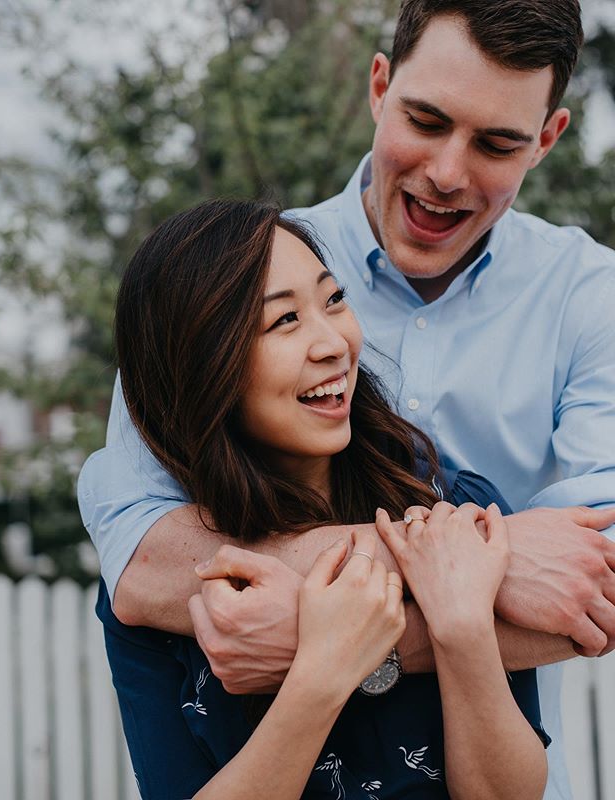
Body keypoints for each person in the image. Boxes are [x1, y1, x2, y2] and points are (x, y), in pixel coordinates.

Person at [78, 2, 615, 798]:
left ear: (547, 138)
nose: (446, 172)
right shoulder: (225, 277)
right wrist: (469, 566)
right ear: (378, 85)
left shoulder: (592, 298)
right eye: (425, 120)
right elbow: (143, 558)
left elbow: (595, 589)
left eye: (497, 142)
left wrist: (321, 630)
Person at [102, 197, 549, 799]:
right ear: (202, 366)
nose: (334, 344)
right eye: (284, 321)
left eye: (334, 300)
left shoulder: (454, 508)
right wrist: (323, 671)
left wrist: (462, 627)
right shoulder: (166, 591)